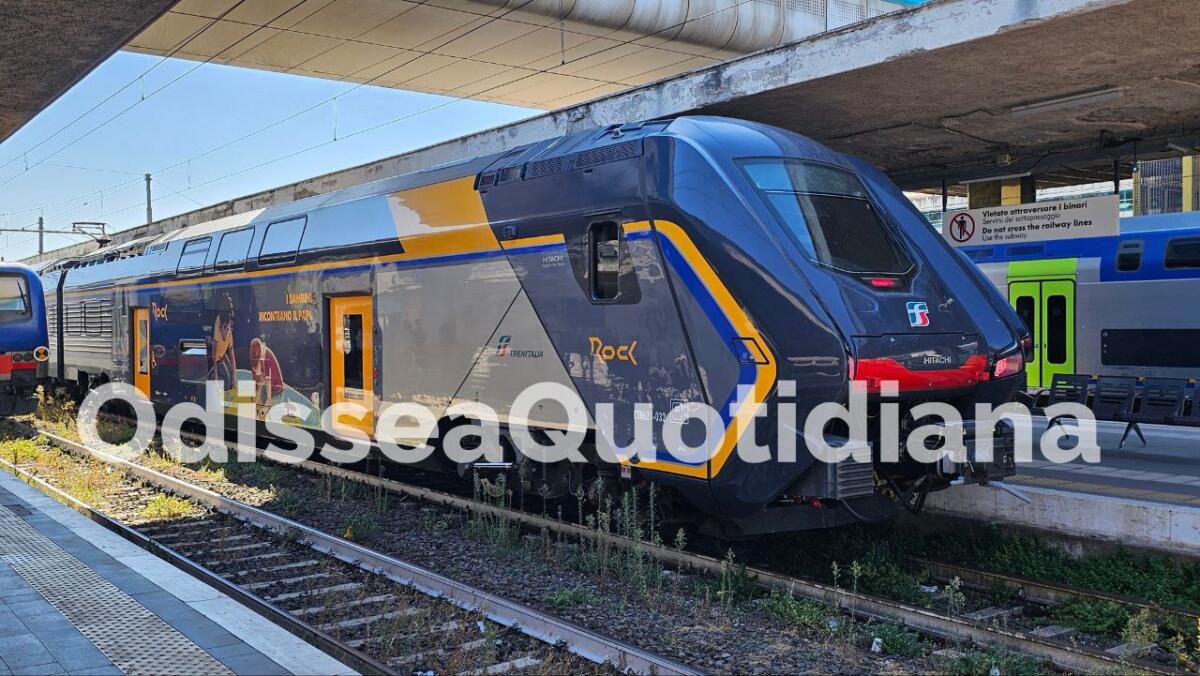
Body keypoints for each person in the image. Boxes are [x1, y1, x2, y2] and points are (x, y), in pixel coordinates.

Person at [249, 337, 284, 407]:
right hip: (266, 388)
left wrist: (268, 399)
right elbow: (258, 383)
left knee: (266, 410)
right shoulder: (255, 357)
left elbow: (266, 380)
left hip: (276, 391)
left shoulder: (265, 356)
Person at [212, 294, 236, 391]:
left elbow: (233, 358)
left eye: (228, 328)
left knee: (231, 376)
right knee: (227, 382)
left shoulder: (229, 335)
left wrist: (234, 376)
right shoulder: (218, 326)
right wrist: (216, 378)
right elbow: (214, 357)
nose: (227, 330)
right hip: (217, 359)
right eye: (225, 328)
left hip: (222, 356)